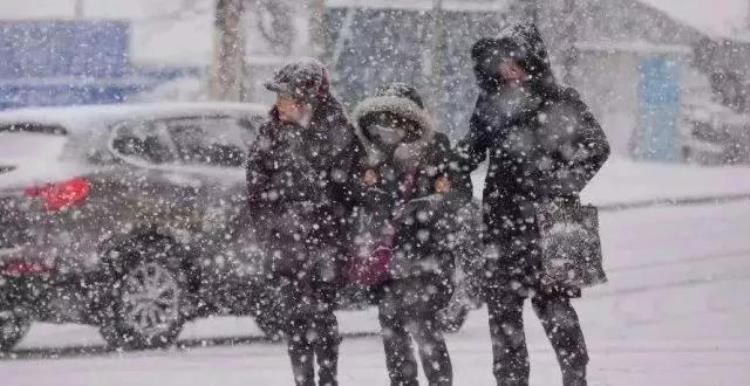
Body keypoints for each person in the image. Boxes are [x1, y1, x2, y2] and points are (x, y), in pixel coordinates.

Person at [456, 24, 611, 386]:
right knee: (503, 311)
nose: (506, 70)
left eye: (513, 61)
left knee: (554, 306)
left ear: (532, 61)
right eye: (501, 63)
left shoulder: (561, 101)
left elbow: (597, 147)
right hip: (500, 219)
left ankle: (576, 377)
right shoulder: (492, 103)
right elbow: (472, 148)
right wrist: (443, 165)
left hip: (553, 221)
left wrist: (558, 184)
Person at [246, 58, 363, 386]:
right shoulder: (272, 130)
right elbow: (256, 183)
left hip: (325, 242)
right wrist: (269, 229)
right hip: (286, 243)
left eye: (285, 96)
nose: (278, 103)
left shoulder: (338, 133)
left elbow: (351, 193)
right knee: (294, 319)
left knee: (322, 316)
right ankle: (303, 381)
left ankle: (327, 379)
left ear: (306, 100)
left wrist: (339, 231)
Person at [351, 83, 470, 386]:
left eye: (397, 117)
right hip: (389, 260)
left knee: (424, 327)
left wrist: (424, 208)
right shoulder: (374, 153)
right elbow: (362, 195)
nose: (390, 125)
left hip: (425, 257)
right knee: (392, 331)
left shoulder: (437, 148)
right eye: (386, 117)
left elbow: (458, 194)